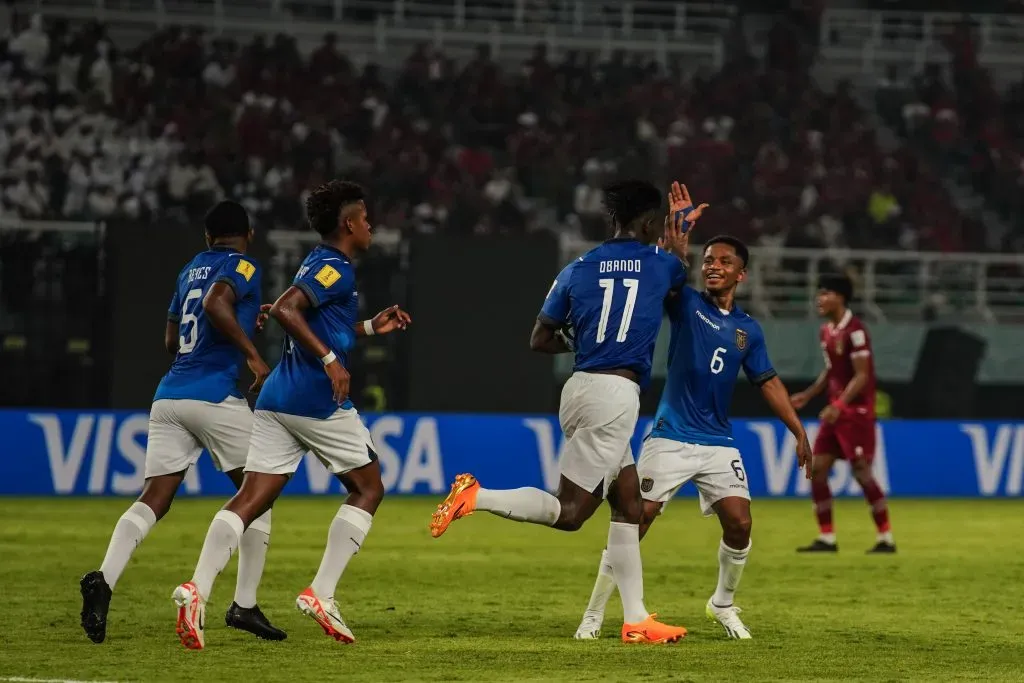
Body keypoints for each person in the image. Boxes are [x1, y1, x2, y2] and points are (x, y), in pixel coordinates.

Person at [430, 180, 708, 644]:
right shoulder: (660, 264)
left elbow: (539, 338)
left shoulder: (576, 268)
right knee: (572, 512)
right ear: (648, 223)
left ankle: (636, 619)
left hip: (577, 388)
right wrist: (680, 247)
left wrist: (581, 341)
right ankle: (477, 496)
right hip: (615, 394)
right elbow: (680, 294)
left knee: (628, 503)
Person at [171, 181, 411, 650]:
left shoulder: (320, 262)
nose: (370, 225)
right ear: (348, 224)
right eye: (364, 217)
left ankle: (196, 588)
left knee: (252, 498)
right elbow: (286, 309)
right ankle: (321, 592)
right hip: (314, 400)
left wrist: (366, 327)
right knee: (369, 487)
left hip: (277, 400)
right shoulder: (334, 266)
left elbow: (309, 318)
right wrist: (330, 360)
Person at [573, 235, 812, 641]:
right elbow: (667, 278)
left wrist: (798, 429)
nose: (713, 266)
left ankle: (722, 603)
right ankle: (592, 616)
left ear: (742, 273)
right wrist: (675, 245)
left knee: (740, 524)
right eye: (707, 260)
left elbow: (768, 382)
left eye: (724, 260)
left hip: (718, 442)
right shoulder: (686, 303)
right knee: (636, 521)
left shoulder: (747, 330)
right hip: (671, 437)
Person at [80, 200, 284, 644]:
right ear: (247, 234)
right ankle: (243, 605)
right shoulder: (245, 266)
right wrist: (252, 355)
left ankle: (104, 580)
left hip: (169, 396)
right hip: (214, 397)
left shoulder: (189, 269)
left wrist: (243, 322)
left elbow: (172, 339)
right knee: (259, 494)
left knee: (154, 498)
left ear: (207, 238)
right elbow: (215, 304)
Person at [790, 274, 894, 554]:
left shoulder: (856, 331)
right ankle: (827, 538)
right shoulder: (826, 331)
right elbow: (831, 372)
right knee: (819, 469)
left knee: (862, 473)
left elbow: (862, 376)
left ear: (841, 297)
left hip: (856, 413)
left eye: (825, 294)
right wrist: (809, 394)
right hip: (835, 412)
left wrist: (839, 405)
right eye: (819, 294)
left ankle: (886, 538)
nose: (819, 299)